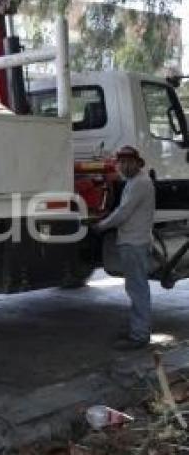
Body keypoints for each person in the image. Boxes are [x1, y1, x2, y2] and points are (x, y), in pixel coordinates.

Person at [93, 145, 156, 351]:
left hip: (134, 243)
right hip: (135, 241)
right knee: (136, 288)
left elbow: (123, 213)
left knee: (137, 289)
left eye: (127, 162)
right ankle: (138, 328)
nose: (123, 166)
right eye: (121, 163)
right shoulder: (136, 181)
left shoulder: (140, 183)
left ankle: (139, 334)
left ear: (136, 163)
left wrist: (101, 226)